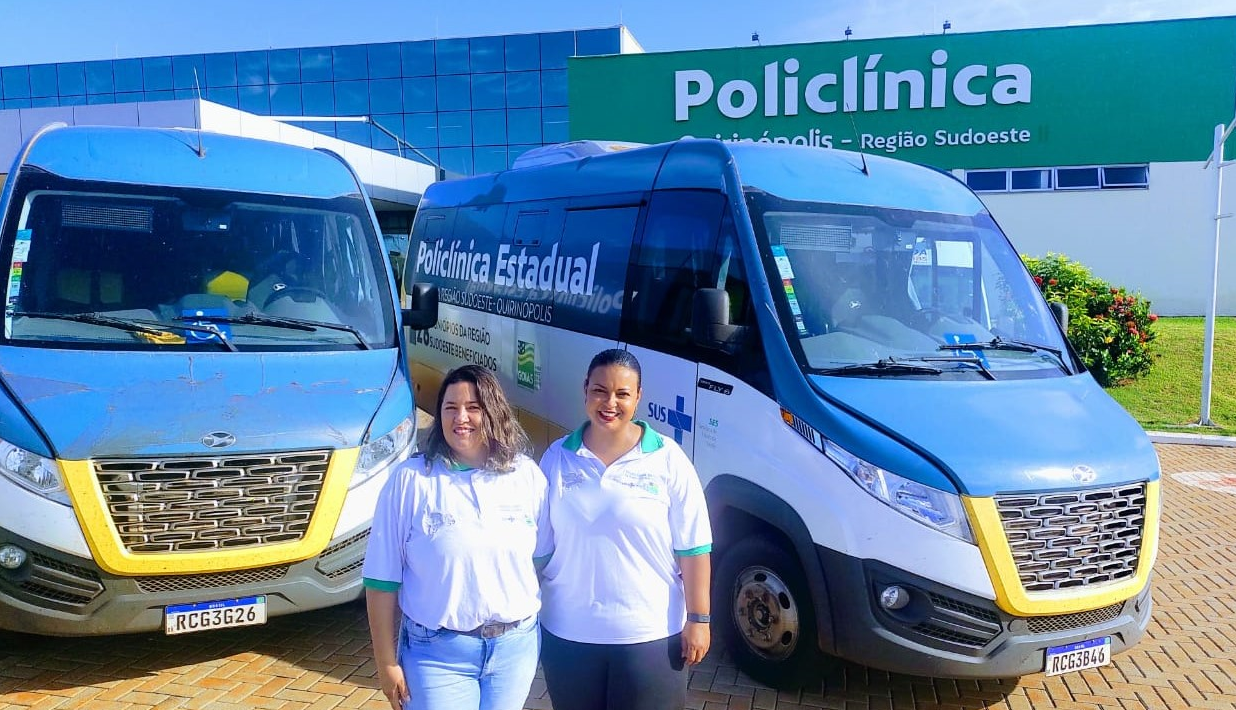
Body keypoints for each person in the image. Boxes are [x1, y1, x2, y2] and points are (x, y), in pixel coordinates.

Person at [362, 364, 551, 710]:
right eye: (450, 408)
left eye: (473, 407)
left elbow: (538, 560)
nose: (460, 417)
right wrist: (386, 663)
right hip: (437, 656)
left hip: (515, 650)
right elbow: (380, 580)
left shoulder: (526, 475)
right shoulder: (411, 480)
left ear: (493, 412)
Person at [537, 348, 713, 710]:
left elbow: (694, 547)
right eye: (600, 391)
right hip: (569, 633)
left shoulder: (667, 458)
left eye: (622, 394)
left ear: (638, 397)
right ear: (585, 389)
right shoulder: (557, 458)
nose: (610, 403)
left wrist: (699, 619)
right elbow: (539, 549)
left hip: (650, 635)